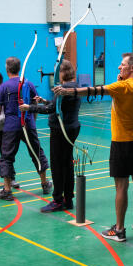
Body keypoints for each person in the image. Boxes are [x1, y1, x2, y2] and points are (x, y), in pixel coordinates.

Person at [54, 53, 133, 242]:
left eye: (122, 65)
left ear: (131, 68)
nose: (119, 68)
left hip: (122, 143)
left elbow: (94, 90)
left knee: (121, 186)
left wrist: (68, 92)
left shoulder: (120, 87)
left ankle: (120, 229)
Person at [21, 60, 81, 212]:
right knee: (67, 164)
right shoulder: (75, 87)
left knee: (57, 166)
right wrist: (45, 101)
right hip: (71, 128)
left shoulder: (64, 88)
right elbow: (59, 106)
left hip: (61, 130)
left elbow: (51, 110)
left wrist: (30, 107)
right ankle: (68, 199)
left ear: (62, 73)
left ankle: (58, 200)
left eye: (57, 72)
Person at [0, 57, 52, 201]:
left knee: (6, 157)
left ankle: (7, 190)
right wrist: (32, 123)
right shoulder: (29, 84)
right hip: (28, 124)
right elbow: (34, 105)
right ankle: (44, 184)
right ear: (19, 69)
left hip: (11, 126)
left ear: (7, 69)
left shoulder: (4, 86)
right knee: (36, 152)